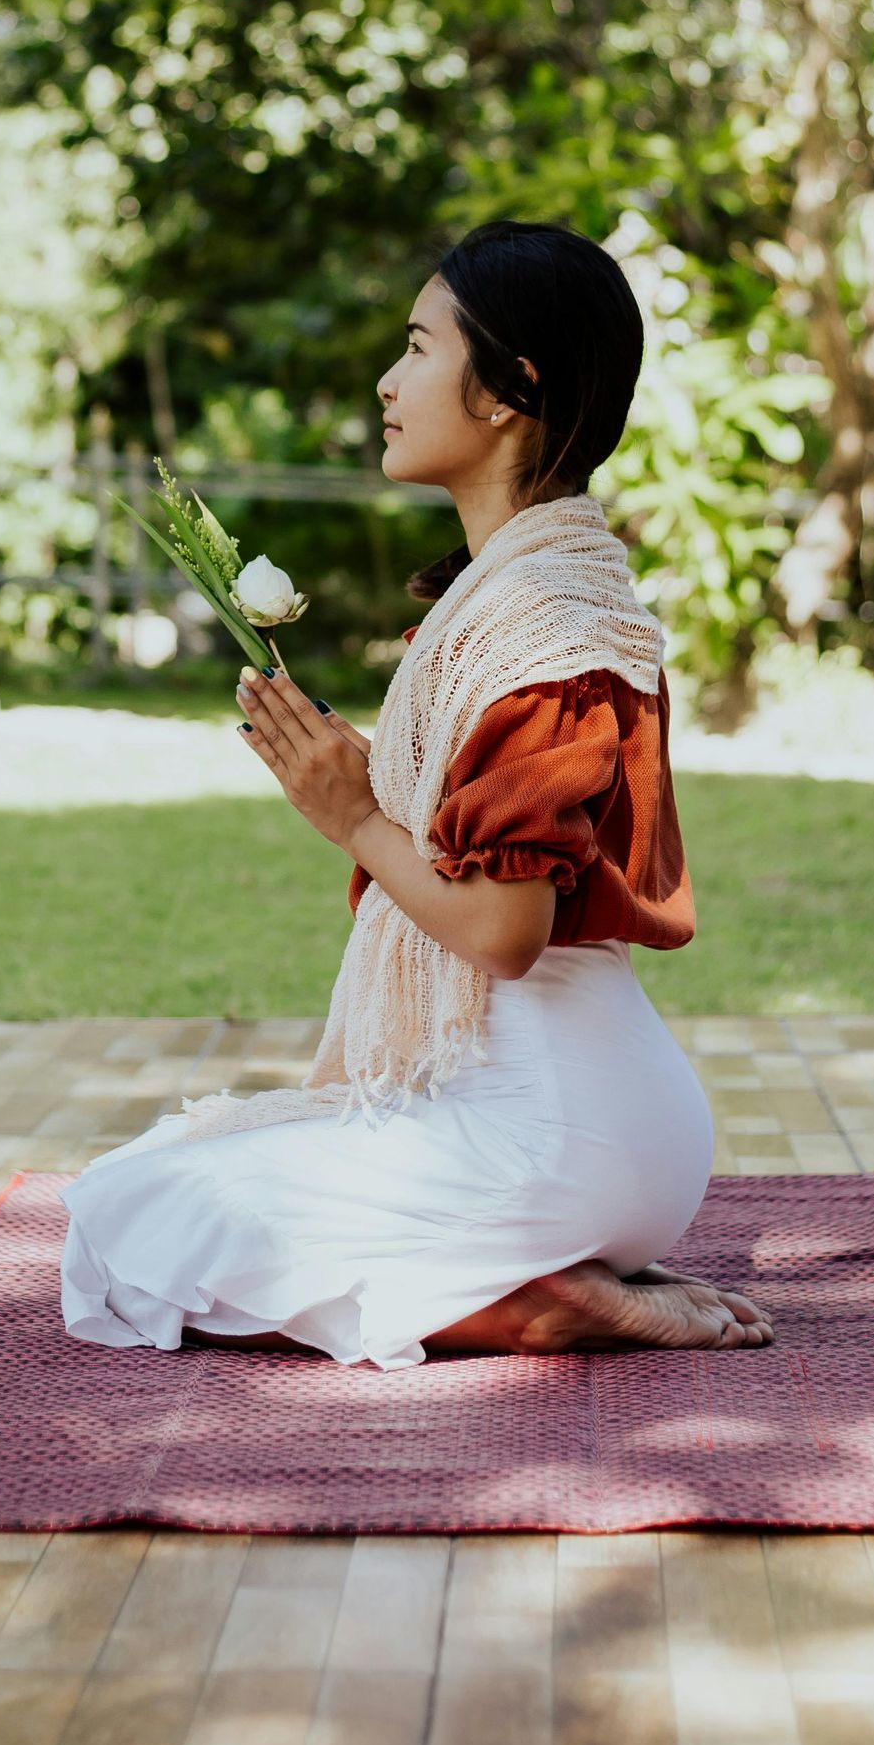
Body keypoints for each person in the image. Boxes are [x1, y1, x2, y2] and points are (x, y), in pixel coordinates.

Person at [59, 219, 772, 1365]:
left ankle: (539, 1299)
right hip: (599, 1125)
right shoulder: (527, 604)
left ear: (507, 390)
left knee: (126, 1219)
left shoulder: (541, 626)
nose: (388, 383)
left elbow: (502, 932)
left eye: (418, 348)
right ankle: (546, 1270)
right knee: (154, 1192)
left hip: (543, 1133)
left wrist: (352, 817)